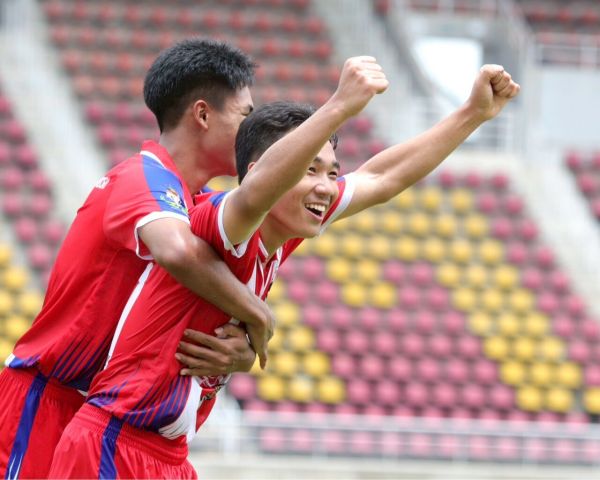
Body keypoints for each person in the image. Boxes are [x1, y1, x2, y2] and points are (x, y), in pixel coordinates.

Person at [48, 58, 519, 477]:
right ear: (261, 173)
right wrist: (338, 106)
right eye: (308, 170)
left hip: (168, 455)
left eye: (332, 172)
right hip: (113, 444)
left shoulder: (286, 231)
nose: (326, 187)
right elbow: (254, 193)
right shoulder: (222, 222)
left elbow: (381, 177)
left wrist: (471, 114)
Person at [0, 38, 270, 479]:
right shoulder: (142, 177)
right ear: (203, 115)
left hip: (114, 421)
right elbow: (177, 251)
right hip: (48, 402)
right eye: (245, 115)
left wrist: (240, 352)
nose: (252, 131)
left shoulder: (201, 204)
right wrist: (258, 315)